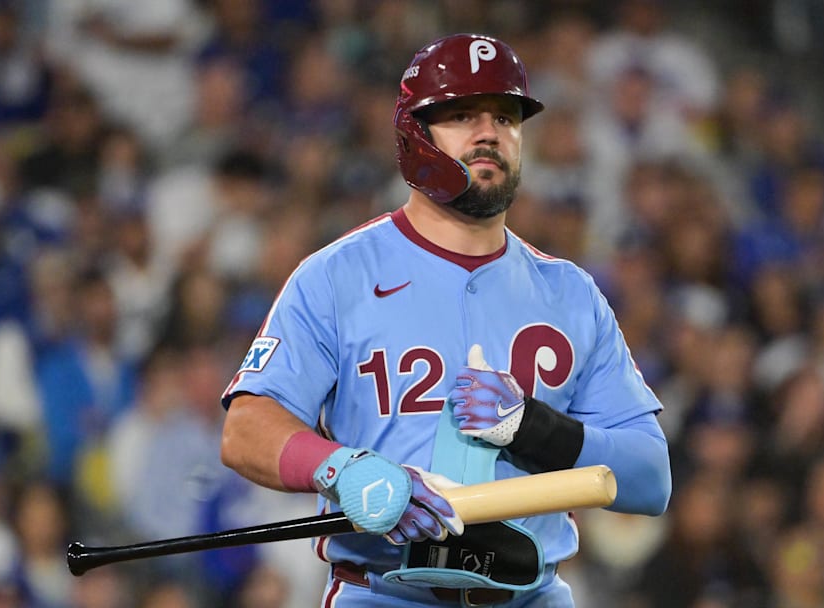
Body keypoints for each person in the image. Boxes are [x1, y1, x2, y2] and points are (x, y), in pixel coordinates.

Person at [219, 33, 673, 607]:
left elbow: (650, 477)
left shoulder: (571, 293)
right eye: (461, 115)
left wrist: (532, 428)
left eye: (506, 118)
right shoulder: (337, 274)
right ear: (416, 135)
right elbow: (245, 429)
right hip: (382, 594)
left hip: (531, 596)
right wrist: (344, 469)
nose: (489, 133)